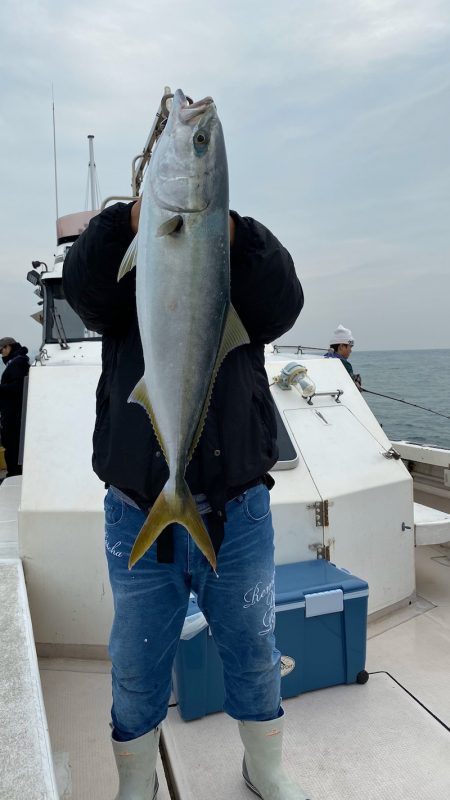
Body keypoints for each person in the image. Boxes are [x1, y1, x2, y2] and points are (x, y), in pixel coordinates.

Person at [63, 197, 311, 800]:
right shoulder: (130, 256)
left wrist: (233, 231)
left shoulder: (238, 254)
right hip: (137, 507)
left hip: (238, 508)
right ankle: (136, 779)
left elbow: (283, 306)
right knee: (136, 658)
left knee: (254, 645)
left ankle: (266, 769)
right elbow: (85, 294)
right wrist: (126, 221)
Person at [0, 337, 30, 478]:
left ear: (8, 347)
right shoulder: (17, 361)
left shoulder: (17, 363)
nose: (1, 354)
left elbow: (19, 388)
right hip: (14, 413)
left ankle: (14, 474)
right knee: (12, 445)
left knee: (12, 446)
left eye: (1, 350)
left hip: (14, 415)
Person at [324, 324, 362, 389]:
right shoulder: (345, 364)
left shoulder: (324, 358)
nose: (351, 351)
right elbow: (351, 388)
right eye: (350, 347)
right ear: (341, 347)